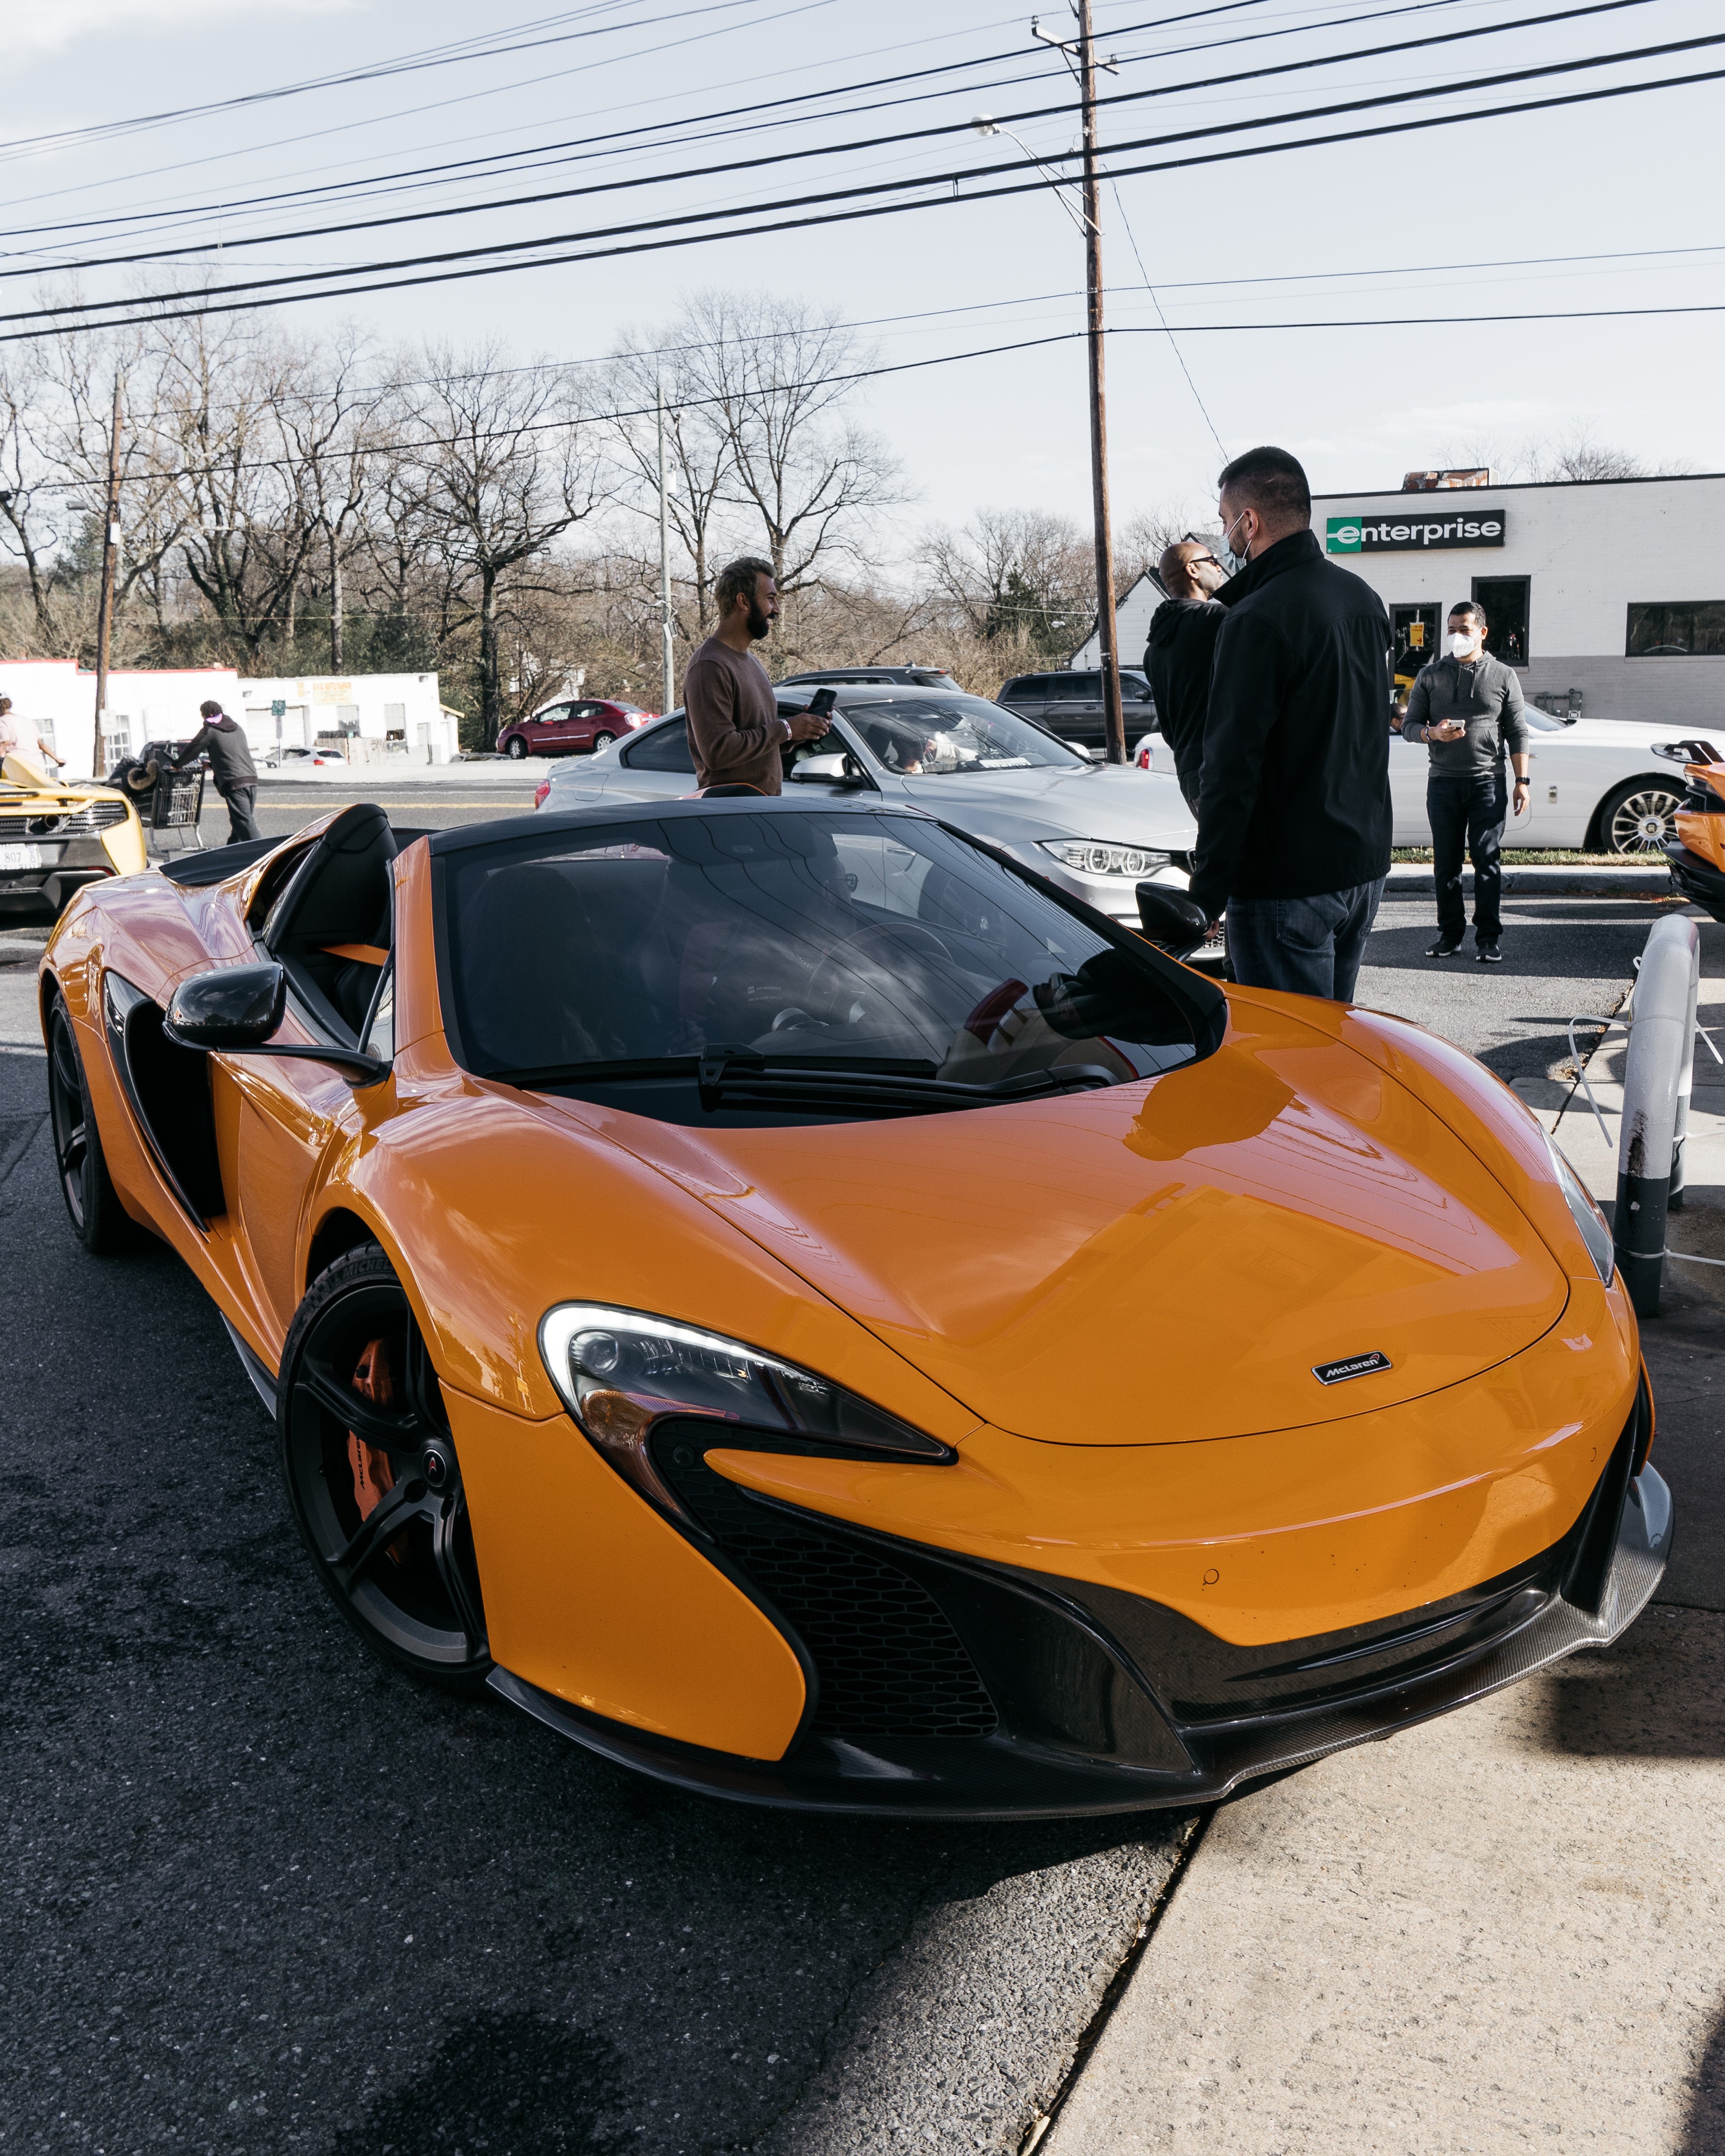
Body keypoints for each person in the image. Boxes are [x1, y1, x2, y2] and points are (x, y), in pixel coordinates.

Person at [1187, 445, 1393, 1002]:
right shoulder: (1365, 600)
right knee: (1333, 1044)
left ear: (1248, 521)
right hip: (1362, 865)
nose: (1224, 535)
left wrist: (1206, 894)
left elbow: (1231, 767)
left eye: (1225, 519)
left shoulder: (1257, 618)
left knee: (1292, 1066)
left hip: (1288, 879)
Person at [1403, 601, 1529, 963]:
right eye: (1452, 629)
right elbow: (1409, 725)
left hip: (1488, 783)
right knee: (1446, 863)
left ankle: (1488, 938)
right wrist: (1432, 734)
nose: (1457, 636)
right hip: (1443, 783)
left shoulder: (1504, 675)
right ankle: (1450, 935)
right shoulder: (1432, 675)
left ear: (1482, 632)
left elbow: (1518, 731)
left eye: (1465, 629)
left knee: (1486, 861)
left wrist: (1522, 781)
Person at [683, 557, 829, 794]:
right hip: (732, 813)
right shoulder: (709, 666)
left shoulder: (752, 662)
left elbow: (755, 743)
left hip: (761, 810)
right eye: (770, 599)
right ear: (743, 601)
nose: (777, 609)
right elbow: (719, 752)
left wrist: (799, 733)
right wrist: (786, 729)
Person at [1144, 539, 1226, 813]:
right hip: (1225, 771)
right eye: (1212, 561)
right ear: (1192, 570)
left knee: (1223, 854)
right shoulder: (1218, 620)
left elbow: (1168, 728)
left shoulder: (1154, 649)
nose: (1219, 568)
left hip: (1191, 776)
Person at [174, 700, 261, 843]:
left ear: (209, 714)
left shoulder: (210, 731)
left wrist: (177, 765)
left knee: (244, 822)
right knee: (240, 821)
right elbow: (232, 755)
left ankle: (262, 854)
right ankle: (231, 851)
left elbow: (193, 749)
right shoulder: (237, 727)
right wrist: (213, 764)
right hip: (251, 778)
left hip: (235, 782)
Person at [0, 695, 65, 771]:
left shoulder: (2, 721)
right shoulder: (27, 721)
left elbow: (4, 744)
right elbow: (41, 744)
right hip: (38, 766)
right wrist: (57, 759)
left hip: (19, 766)